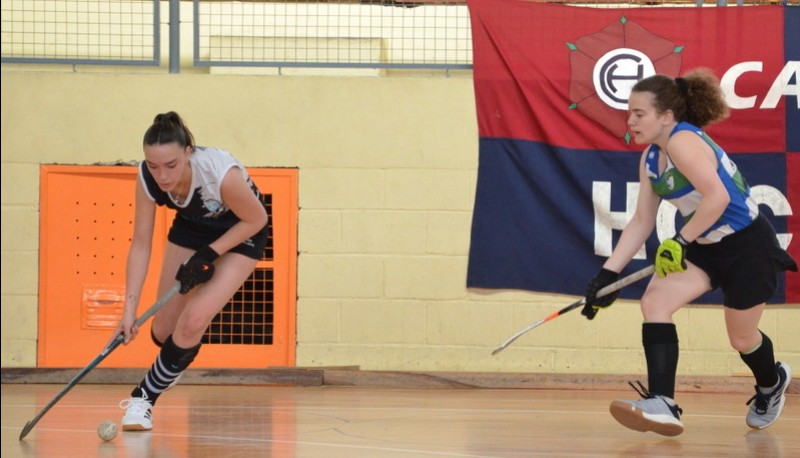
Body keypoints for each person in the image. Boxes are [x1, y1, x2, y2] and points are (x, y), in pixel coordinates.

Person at [580, 68, 797, 437]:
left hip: (747, 246)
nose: (629, 120)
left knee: (742, 339)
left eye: (638, 114)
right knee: (656, 304)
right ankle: (663, 403)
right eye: (629, 113)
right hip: (705, 245)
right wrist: (609, 275)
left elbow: (719, 198)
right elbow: (641, 221)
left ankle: (772, 381)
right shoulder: (651, 158)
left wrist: (680, 242)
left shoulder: (684, 141)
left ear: (666, 117)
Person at [111, 111, 270, 431]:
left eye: (171, 165)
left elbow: (257, 219)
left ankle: (143, 399)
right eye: (154, 166)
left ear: (187, 152)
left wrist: (209, 255)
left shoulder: (219, 172)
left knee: (193, 320)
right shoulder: (147, 179)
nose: (163, 176)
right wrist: (128, 310)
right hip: (192, 228)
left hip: (243, 232)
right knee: (163, 332)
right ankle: (174, 361)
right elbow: (140, 244)